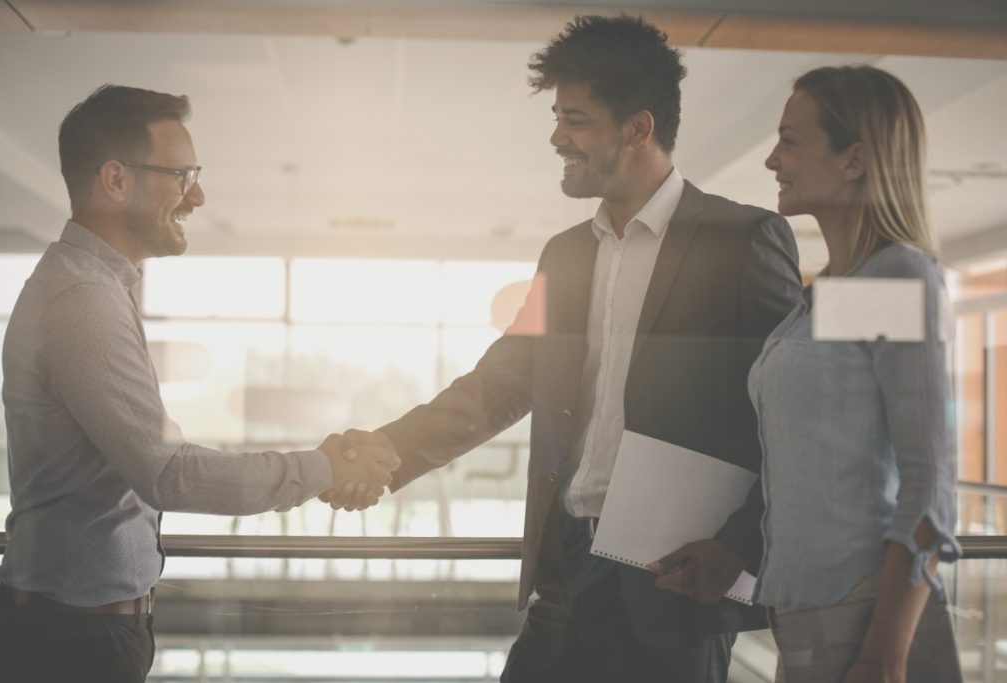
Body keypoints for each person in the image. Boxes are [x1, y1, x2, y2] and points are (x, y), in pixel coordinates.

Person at [327, 15, 802, 682]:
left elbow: (794, 418)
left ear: (637, 128)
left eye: (575, 119)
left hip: (675, 582)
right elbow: (500, 383)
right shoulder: (566, 254)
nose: (557, 138)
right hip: (566, 571)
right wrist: (387, 451)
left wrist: (740, 544)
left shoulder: (742, 240)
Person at [0, 84, 398, 683]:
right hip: (66, 643)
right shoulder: (83, 302)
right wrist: (325, 468)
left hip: (76, 628)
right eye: (181, 175)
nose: (197, 195)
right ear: (116, 180)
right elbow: (168, 474)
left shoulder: (94, 288)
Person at [747, 65, 963, 682]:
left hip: (867, 624)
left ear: (854, 159)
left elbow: (930, 483)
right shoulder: (832, 293)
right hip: (803, 619)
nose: (771, 160)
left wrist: (884, 652)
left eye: (790, 140)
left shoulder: (900, 275)